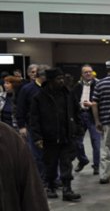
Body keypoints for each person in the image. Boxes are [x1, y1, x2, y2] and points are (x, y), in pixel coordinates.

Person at [29, 69, 82, 202]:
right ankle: (51, 187)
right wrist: (37, 137)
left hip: (66, 135)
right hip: (49, 137)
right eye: (58, 79)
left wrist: (78, 128)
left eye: (62, 78)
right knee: (50, 165)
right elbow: (34, 119)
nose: (62, 81)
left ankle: (67, 189)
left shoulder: (68, 94)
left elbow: (76, 112)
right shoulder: (39, 97)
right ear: (50, 80)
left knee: (66, 163)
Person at [14, 64, 46, 180]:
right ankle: (39, 179)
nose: (34, 74)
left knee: (50, 154)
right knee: (37, 155)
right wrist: (22, 126)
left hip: (48, 126)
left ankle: (52, 178)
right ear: (28, 74)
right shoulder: (26, 89)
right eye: (32, 72)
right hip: (32, 126)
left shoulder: (47, 87)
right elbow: (20, 108)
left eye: (36, 72)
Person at [71, 64, 102, 175]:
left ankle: (96, 166)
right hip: (80, 116)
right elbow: (72, 102)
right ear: (82, 74)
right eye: (86, 72)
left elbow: (101, 102)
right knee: (77, 142)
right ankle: (83, 160)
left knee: (96, 143)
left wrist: (92, 105)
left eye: (90, 72)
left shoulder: (98, 85)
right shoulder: (77, 86)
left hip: (93, 116)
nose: (88, 74)